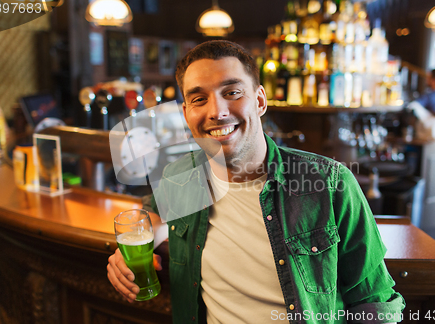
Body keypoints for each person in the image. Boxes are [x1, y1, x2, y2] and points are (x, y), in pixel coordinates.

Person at [107, 40, 405, 323]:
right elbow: (152, 214)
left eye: (233, 93)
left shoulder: (330, 183)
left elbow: (375, 300)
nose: (217, 112)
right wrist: (134, 249)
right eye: (199, 99)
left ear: (260, 100)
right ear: (187, 113)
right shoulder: (179, 176)